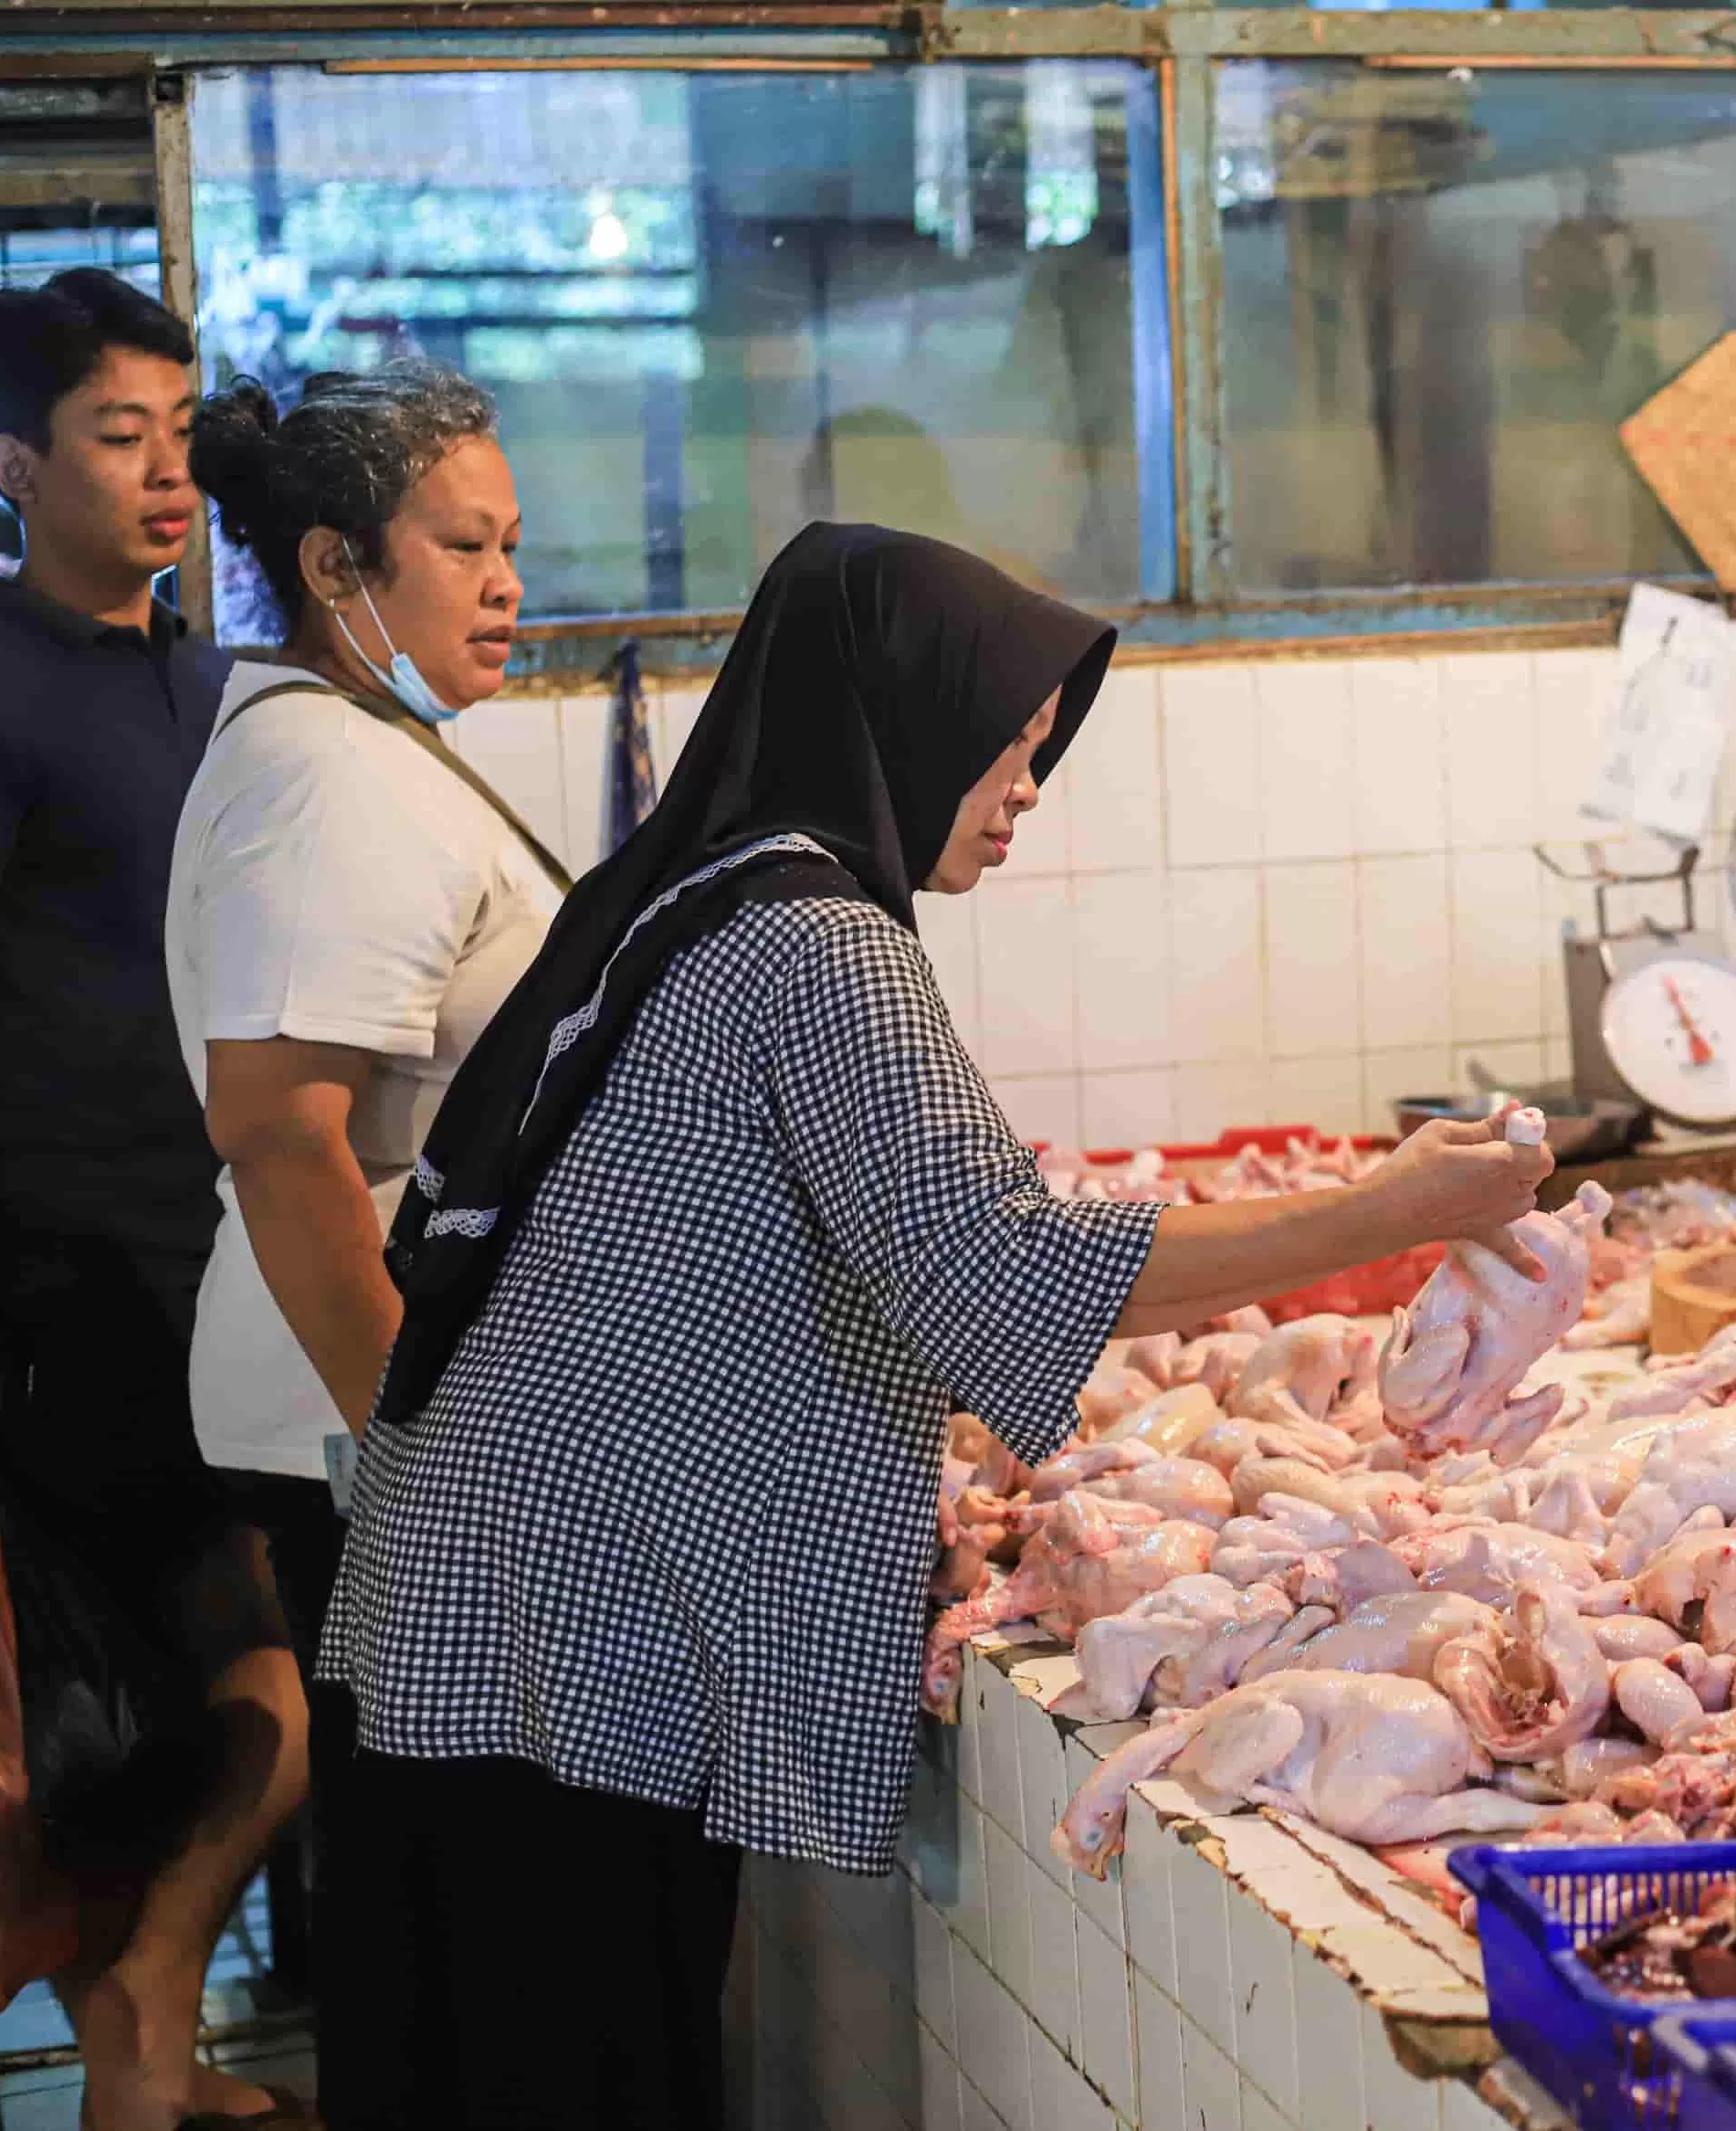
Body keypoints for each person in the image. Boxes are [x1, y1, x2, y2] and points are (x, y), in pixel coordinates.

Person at [309, 523, 1553, 2127]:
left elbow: (798, 1251)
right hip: (567, 1650)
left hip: (504, 1622)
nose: (1027, 787)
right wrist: (1396, 1208)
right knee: (575, 2069)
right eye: (1008, 747)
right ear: (896, 715)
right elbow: (994, 1266)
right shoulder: (819, 940)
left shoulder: (712, 887)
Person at [0, 269, 306, 2127]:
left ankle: (148, 2052)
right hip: (55, 1267)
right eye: (117, 435)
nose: (168, 471)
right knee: (192, 1680)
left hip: (211, 1252)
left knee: (175, 1690)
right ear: (9, 463)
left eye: (177, 427)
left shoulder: (205, 673)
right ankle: (145, 2017)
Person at [170, 364, 562, 1987]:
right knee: (459, 1912)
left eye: (514, 544)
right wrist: (424, 1457)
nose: (508, 586)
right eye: (464, 546)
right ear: (338, 565)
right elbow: (281, 1131)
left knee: (436, 1899)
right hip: (372, 1422)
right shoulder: (330, 778)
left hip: (391, 1411)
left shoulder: (354, 742)